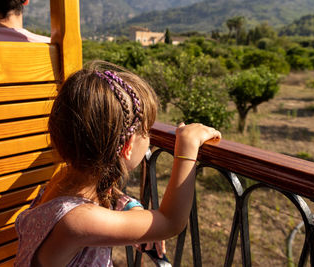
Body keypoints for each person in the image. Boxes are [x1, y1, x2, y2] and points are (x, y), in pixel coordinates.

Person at [14, 61, 221, 267]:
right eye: (147, 131)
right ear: (128, 146)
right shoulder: (78, 220)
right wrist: (187, 145)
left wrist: (130, 206)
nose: (149, 137)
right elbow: (170, 222)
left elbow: (106, 191)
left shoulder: (63, 180)